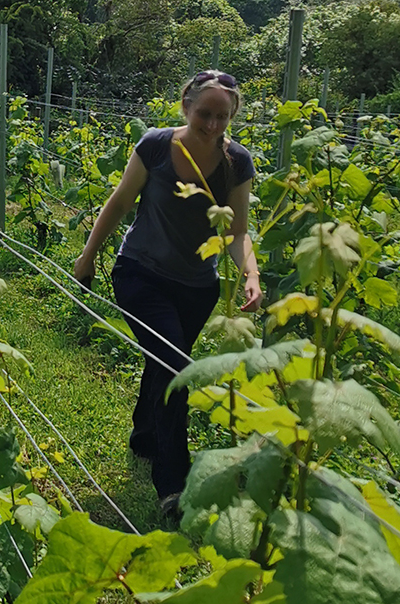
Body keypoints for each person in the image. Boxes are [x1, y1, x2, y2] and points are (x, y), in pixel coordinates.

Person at [72, 71, 262, 520]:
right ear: (186, 108)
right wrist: (87, 257)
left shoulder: (238, 163)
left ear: (232, 116)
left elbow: (236, 232)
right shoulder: (155, 145)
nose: (212, 125)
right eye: (204, 114)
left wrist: (250, 273)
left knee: (163, 361)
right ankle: (172, 482)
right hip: (140, 273)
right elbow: (119, 202)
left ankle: (144, 436)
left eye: (222, 116)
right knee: (175, 365)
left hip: (198, 287)